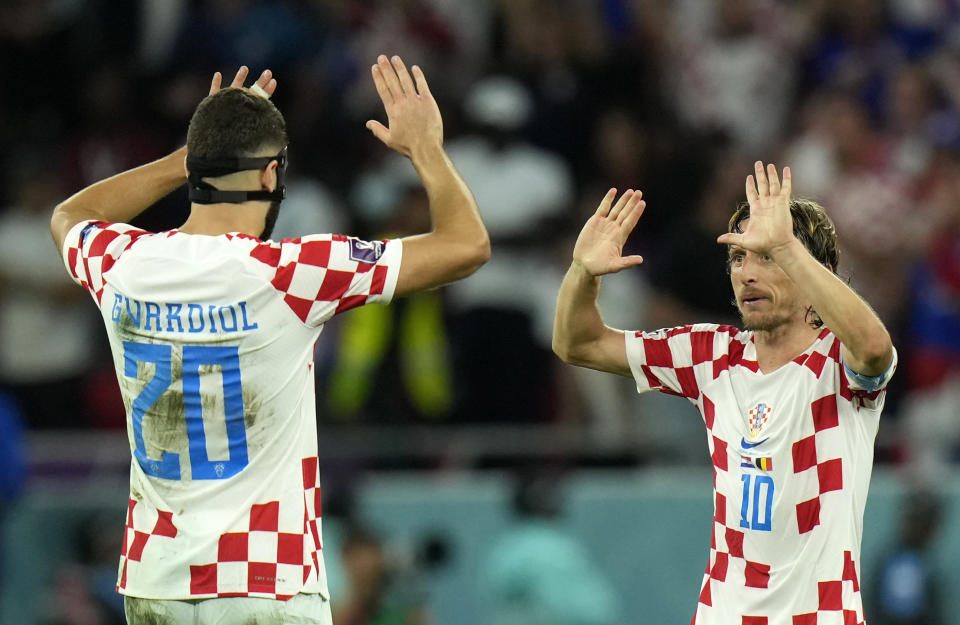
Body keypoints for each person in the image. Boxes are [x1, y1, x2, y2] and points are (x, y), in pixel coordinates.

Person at [49, 56, 489, 625]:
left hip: (155, 581)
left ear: (197, 171)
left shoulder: (121, 264)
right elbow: (466, 245)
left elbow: (71, 213)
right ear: (269, 176)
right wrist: (426, 147)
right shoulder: (292, 274)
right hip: (266, 586)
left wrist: (184, 160)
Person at [553, 162, 896, 623]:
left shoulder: (838, 359)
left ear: (816, 268)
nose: (747, 273)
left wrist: (787, 247)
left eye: (766, 256)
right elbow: (577, 343)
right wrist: (582, 274)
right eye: (738, 257)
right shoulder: (712, 354)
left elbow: (875, 348)